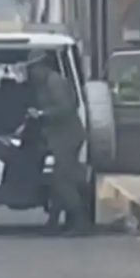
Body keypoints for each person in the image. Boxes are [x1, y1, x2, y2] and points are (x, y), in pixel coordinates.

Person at [26, 54, 90, 235]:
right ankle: (53, 222)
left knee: (62, 180)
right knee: (58, 179)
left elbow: (66, 107)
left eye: (33, 68)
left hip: (68, 136)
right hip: (58, 137)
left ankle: (80, 221)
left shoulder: (55, 82)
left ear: (41, 66)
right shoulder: (42, 84)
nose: (31, 73)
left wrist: (41, 114)